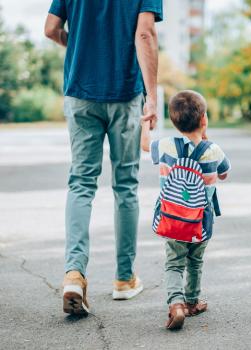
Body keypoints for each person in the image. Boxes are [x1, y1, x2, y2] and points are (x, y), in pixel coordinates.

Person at [44, 0, 163, 315]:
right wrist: (152, 97)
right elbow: (145, 35)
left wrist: (79, 46)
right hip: (124, 94)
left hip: (80, 91)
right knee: (125, 185)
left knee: (81, 182)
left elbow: (51, 29)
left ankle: (74, 273)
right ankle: (124, 279)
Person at [141, 90, 231, 329]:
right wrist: (205, 137)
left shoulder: (166, 146)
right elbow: (223, 174)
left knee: (173, 263)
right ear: (204, 120)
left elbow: (144, 146)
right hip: (200, 221)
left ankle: (176, 304)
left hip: (172, 220)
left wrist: (145, 123)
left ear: (174, 121)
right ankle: (192, 302)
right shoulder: (214, 151)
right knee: (195, 261)